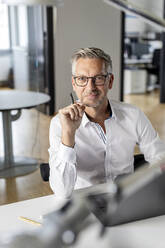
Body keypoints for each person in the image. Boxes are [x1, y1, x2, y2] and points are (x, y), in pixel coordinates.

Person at [48, 47, 165, 198]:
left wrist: (146, 183)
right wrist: (68, 135)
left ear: (110, 81)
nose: (90, 87)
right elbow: (62, 191)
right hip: (84, 204)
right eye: (82, 79)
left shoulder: (133, 114)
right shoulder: (59, 124)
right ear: (74, 83)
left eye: (98, 78)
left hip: (126, 198)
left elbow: (159, 157)